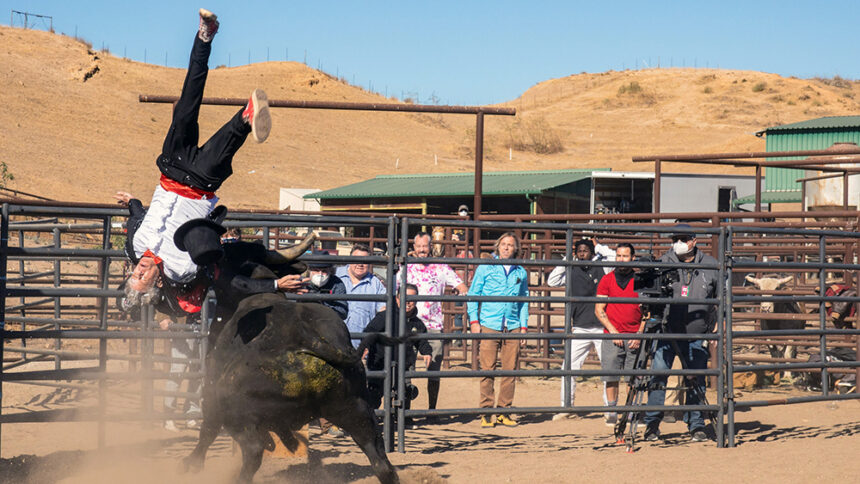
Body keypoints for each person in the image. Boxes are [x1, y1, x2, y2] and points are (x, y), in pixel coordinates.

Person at [114, 8, 271, 316]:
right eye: (142, 278)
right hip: (199, 185)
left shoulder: (135, 247)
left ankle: (205, 35)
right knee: (229, 138)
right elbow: (209, 253)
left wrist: (132, 200)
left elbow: (137, 217)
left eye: (134, 274)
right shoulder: (181, 270)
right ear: (157, 284)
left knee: (188, 101)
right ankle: (249, 114)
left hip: (173, 167)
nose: (139, 271)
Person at [642, 224, 719, 443]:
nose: (678, 243)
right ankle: (652, 425)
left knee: (696, 378)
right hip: (667, 330)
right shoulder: (663, 263)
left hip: (697, 332)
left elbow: (721, 296)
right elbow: (651, 294)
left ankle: (696, 424)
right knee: (658, 375)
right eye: (675, 238)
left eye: (683, 239)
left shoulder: (710, 265)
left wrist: (717, 324)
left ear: (694, 241)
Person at [397, 232, 468, 414]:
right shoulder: (406, 268)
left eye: (425, 246)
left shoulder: (440, 267)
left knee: (433, 369)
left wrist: (460, 291)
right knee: (406, 368)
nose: (422, 250)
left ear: (431, 247)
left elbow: (461, 285)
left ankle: (431, 410)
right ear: (413, 248)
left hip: (434, 325)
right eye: (419, 246)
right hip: (409, 323)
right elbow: (394, 290)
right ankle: (407, 411)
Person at [468, 232, 529, 428]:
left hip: (512, 325)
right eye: (503, 244)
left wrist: (523, 326)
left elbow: (524, 301)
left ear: (515, 249)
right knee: (488, 369)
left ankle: (504, 410)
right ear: (498, 246)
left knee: (510, 371)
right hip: (489, 324)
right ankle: (486, 411)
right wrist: (474, 321)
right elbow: (473, 294)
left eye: (510, 245)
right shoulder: (486, 267)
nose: (506, 248)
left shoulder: (521, 272)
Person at [547, 238, 610, 420]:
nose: (582, 254)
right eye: (579, 251)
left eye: (586, 251)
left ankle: (609, 409)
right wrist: (567, 260)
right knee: (569, 367)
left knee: (608, 369)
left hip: (601, 326)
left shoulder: (604, 266)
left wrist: (600, 248)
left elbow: (614, 258)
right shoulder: (571, 269)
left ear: (592, 253)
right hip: (580, 327)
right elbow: (552, 281)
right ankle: (566, 406)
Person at [364, 284, 433, 428]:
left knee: (404, 391)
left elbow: (421, 340)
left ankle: (403, 418)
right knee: (375, 392)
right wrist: (366, 345)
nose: (408, 302)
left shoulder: (416, 323)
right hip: (380, 361)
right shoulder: (386, 316)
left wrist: (426, 352)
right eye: (404, 298)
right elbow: (370, 330)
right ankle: (371, 419)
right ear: (397, 298)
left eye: (412, 298)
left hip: (403, 363)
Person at [594, 243, 644, 426]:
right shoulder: (607, 280)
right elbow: (599, 309)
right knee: (611, 376)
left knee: (635, 377)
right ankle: (612, 411)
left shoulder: (640, 279)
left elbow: (647, 310)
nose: (621, 259)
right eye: (619, 256)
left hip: (635, 335)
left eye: (625, 256)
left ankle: (631, 412)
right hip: (612, 334)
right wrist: (612, 332)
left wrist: (639, 333)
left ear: (632, 257)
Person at [335, 244, 386, 347]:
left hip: (361, 348)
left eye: (365, 261)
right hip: (334, 343)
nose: (360, 264)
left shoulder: (376, 284)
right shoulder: (335, 275)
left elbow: (383, 313)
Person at [302, 249, 348, 320]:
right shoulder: (302, 283)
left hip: (327, 324)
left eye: (324, 271)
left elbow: (343, 312)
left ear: (330, 271)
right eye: (316, 270)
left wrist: (322, 308)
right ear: (309, 270)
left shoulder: (337, 283)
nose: (320, 274)